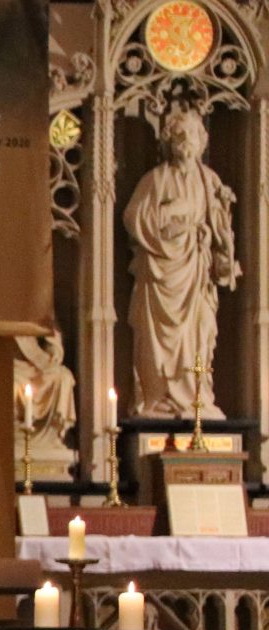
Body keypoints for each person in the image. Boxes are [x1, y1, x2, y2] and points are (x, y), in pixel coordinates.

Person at [123, 105, 239, 419]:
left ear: (202, 140)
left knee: (201, 332)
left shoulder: (210, 181)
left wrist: (223, 254)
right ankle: (158, 399)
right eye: (180, 134)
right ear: (170, 141)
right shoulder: (155, 179)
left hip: (197, 274)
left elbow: (222, 230)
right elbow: (134, 218)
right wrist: (171, 216)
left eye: (192, 134)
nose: (186, 141)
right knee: (156, 342)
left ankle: (198, 399)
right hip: (162, 277)